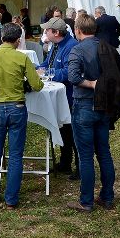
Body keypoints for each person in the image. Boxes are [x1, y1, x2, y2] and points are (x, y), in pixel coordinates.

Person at [0, 23, 43, 209]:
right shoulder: (22, 58)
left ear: (2, 37)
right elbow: (37, 85)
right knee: (15, 155)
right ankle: (11, 198)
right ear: (18, 40)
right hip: (17, 107)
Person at [67, 14, 115, 212]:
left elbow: (73, 77)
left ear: (78, 30)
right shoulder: (107, 48)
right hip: (103, 106)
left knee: (86, 155)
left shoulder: (77, 49)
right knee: (103, 152)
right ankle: (107, 196)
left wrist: (91, 84)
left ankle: (86, 201)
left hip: (84, 105)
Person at [37, 18, 79, 179]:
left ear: (56, 33)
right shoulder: (55, 44)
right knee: (63, 129)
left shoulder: (71, 46)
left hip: (70, 97)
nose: (45, 32)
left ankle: (79, 167)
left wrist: (46, 73)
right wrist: (35, 68)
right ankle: (65, 162)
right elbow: (47, 63)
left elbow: (69, 73)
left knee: (72, 132)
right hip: (60, 96)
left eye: (47, 30)